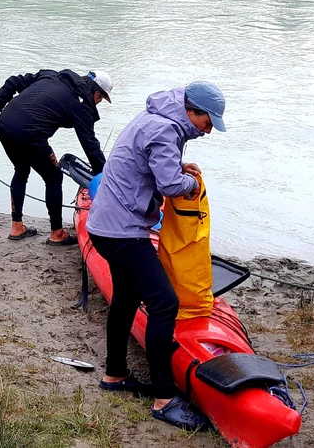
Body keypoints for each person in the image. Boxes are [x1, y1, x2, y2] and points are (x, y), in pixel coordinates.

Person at [85, 80, 226, 431]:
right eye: (208, 123)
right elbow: (170, 186)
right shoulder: (165, 129)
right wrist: (190, 182)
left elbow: (154, 166)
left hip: (106, 225)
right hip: (122, 231)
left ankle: (115, 375)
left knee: (126, 299)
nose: (208, 131)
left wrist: (179, 167)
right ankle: (164, 399)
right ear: (192, 112)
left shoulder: (155, 118)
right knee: (164, 303)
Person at [0, 69, 111, 246]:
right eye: (101, 99)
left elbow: (13, 81)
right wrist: (105, 179)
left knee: (21, 170)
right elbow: (90, 146)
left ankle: (17, 227)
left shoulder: (51, 75)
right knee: (54, 177)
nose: (98, 103)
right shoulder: (82, 105)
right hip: (30, 135)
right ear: (97, 93)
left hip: (4, 125)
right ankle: (57, 233)